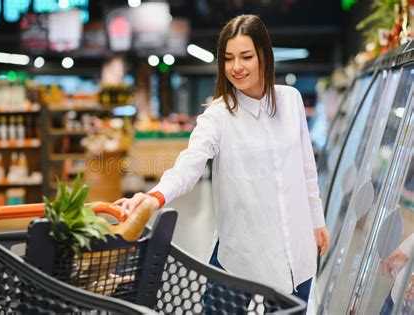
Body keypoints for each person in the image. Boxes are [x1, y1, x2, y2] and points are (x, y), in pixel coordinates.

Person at [114, 14, 330, 305]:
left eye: (246, 56)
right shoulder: (218, 116)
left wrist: (317, 221)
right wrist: (154, 197)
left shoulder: (290, 100)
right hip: (240, 253)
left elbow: (306, 169)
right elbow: (188, 165)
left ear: (264, 56)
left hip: (297, 252)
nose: (237, 67)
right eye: (228, 58)